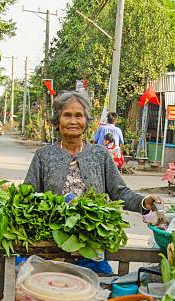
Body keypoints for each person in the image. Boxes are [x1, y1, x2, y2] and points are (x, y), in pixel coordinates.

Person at [24, 90, 160, 214]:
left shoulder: (100, 155)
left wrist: (143, 202)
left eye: (79, 116)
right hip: (51, 238)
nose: (73, 121)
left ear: (86, 121)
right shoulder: (43, 156)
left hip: (93, 237)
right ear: (57, 121)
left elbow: (120, 192)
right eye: (67, 115)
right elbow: (28, 197)